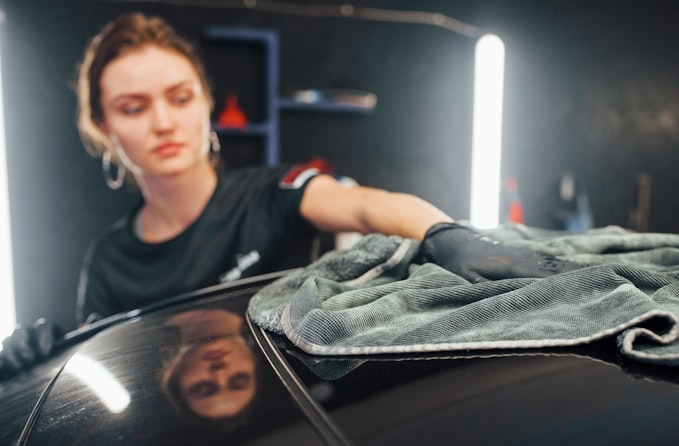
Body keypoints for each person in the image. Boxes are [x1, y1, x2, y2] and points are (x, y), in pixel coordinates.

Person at [0, 13, 581, 376]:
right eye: (133, 108)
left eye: (179, 97)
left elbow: (366, 205)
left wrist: (444, 233)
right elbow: (108, 378)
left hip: (304, 425)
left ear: (206, 104)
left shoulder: (271, 193)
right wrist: (50, 363)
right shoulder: (107, 262)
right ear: (103, 129)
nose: (163, 121)